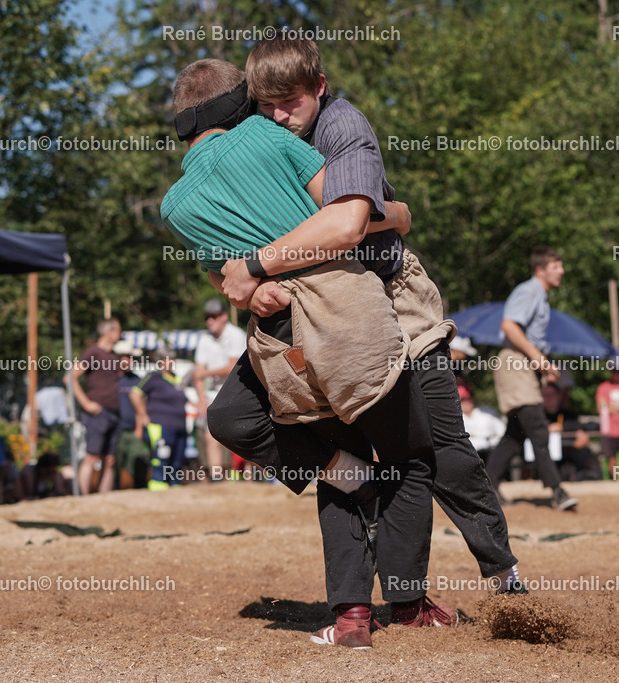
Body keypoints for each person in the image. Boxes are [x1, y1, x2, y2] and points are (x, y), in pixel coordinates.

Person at [161, 58, 453, 649]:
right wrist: (398, 214)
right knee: (411, 457)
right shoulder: (267, 136)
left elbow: (236, 280)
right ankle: (406, 603)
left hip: (280, 334)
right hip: (347, 313)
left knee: (337, 461)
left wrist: (257, 276)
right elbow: (348, 216)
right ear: (238, 103)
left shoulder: (175, 207)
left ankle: (350, 617)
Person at [484, 247, 577, 510]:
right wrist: (537, 357)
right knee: (536, 425)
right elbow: (509, 326)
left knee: (517, 432)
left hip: (523, 362)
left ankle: (488, 484)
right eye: (556, 266)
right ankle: (557, 490)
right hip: (516, 362)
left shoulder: (540, 296)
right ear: (540, 270)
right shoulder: (529, 291)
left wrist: (543, 363)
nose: (562, 270)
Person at [193, 299, 246, 479]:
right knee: (211, 437)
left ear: (224, 316)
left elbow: (232, 368)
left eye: (213, 316)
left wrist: (206, 372)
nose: (209, 321)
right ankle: (218, 482)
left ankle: (252, 480)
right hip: (215, 396)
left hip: (239, 394)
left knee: (244, 438)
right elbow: (196, 375)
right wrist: (201, 401)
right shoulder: (204, 339)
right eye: (207, 317)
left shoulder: (236, 335)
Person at [71, 318, 123, 495]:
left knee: (109, 460)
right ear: (109, 331)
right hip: (97, 413)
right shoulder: (93, 352)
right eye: (118, 330)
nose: (120, 334)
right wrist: (86, 403)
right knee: (91, 457)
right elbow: (71, 377)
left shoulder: (113, 355)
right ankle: (82, 498)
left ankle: (104, 499)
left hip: (114, 413)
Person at [130, 347, 190, 490]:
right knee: (161, 458)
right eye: (166, 359)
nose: (169, 362)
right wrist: (142, 415)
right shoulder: (153, 377)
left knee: (178, 460)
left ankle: (175, 485)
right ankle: (158, 486)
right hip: (161, 425)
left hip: (179, 426)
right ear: (160, 361)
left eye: (171, 359)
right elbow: (134, 394)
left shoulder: (177, 379)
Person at [115, 340, 150, 489]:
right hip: (116, 431)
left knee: (138, 462)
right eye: (126, 357)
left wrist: (139, 429)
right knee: (114, 466)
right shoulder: (111, 380)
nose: (129, 361)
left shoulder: (137, 380)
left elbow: (142, 406)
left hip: (133, 430)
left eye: (131, 357)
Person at [458, 383, 506, 462]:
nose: (466, 402)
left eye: (468, 398)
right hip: (468, 457)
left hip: (492, 453)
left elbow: (502, 432)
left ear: (473, 398)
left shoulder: (487, 412)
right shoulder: (454, 419)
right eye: (462, 400)